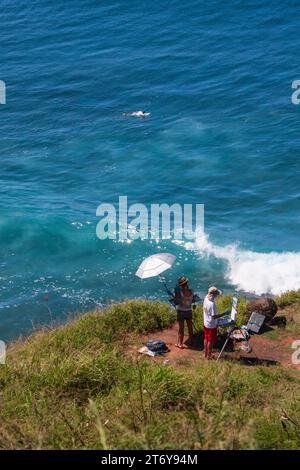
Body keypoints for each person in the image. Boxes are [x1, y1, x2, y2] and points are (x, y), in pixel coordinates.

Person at [173, 276, 199, 349]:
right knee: (190, 327)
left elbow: (176, 302)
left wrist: (174, 295)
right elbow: (193, 300)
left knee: (181, 328)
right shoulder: (191, 291)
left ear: (181, 285)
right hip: (189, 311)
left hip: (181, 311)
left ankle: (180, 344)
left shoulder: (180, 292)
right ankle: (191, 341)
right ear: (187, 283)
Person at [203, 286, 227, 359]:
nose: (217, 296)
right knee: (210, 340)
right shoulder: (212, 304)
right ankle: (209, 356)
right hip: (211, 325)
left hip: (206, 322)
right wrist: (224, 314)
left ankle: (205, 354)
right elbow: (214, 317)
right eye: (216, 294)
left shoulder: (206, 297)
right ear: (213, 294)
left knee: (206, 338)